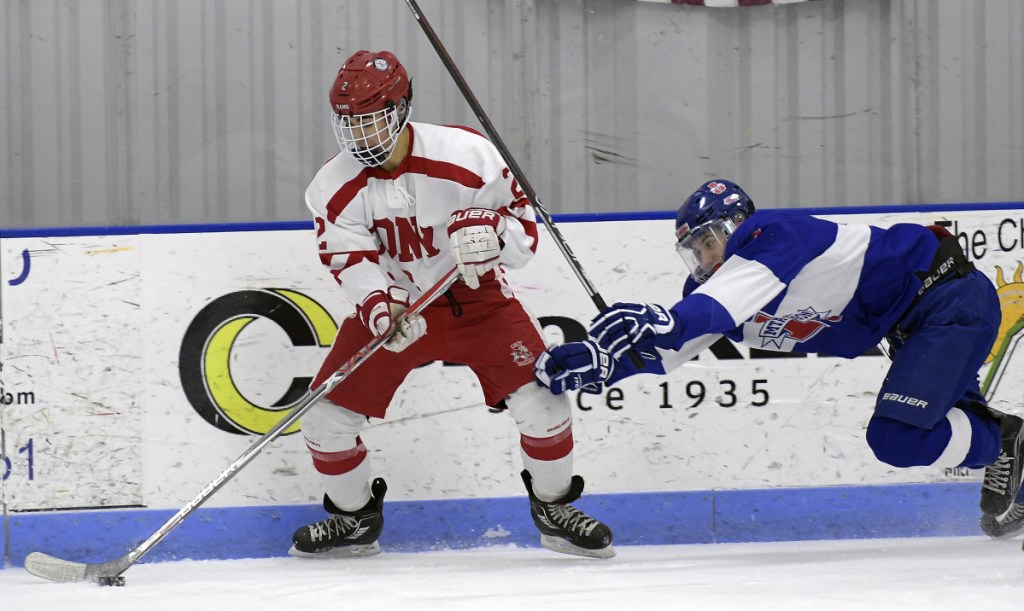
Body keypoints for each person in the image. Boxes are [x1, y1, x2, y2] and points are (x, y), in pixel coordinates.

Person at [534, 178, 1024, 539]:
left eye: (709, 241)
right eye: (695, 251)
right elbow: (665, 350)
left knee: (895, 438)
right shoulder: (717, 289)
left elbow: (703, 313)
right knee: (914, 434)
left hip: (947, 301)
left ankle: (1002, 442)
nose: (704, 259)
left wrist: (667, 318)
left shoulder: (774, 234)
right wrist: (601, 361)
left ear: (737, 224)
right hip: (917, 329)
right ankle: (1003, 445)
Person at [291, 49, 613, 560]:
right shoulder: (330, 187)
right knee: (325, 419)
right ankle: (354, 522)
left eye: (372, 122)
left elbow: (525, 236)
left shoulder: (468, 155)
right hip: (395, 311)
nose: (360, 137)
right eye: (350, 125)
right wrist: (381, 308)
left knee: (543, 401)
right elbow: (349, 259)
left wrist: (492, 232)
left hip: (477, 300)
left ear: (400, 110)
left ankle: (553, 509)